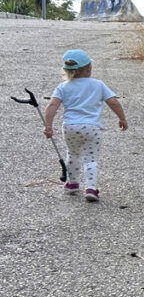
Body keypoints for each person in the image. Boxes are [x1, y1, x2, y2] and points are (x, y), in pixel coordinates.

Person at [42, 49, 128, 203]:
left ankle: (73, 184)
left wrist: (48, 126)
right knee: (90, 158)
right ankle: (90, 188)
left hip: (70, 127)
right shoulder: (98, 85)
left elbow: (52, 105)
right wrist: (122, 118)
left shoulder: (63, 86)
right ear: (88, 68)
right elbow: (113, 102)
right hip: (91, 128)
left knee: (73, 154)